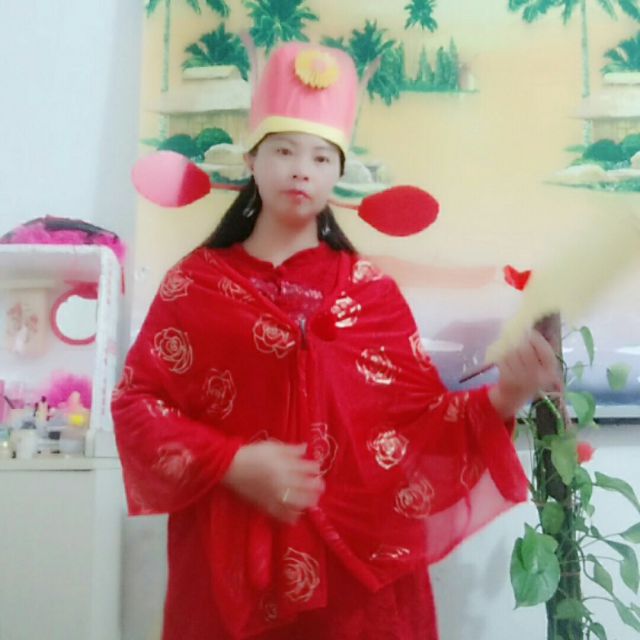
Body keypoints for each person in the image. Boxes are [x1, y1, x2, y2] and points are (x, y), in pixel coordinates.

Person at [112, 42, 561, 640]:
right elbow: (138, 405)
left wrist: (507, 395)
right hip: (230, 572)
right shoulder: (195, 286)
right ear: (251, 160)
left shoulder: (371, 295)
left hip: (359, 586)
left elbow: (422, 427)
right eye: (284, 150)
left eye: (322, 157)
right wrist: (232, 462)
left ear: (338, 173)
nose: (302, 169)